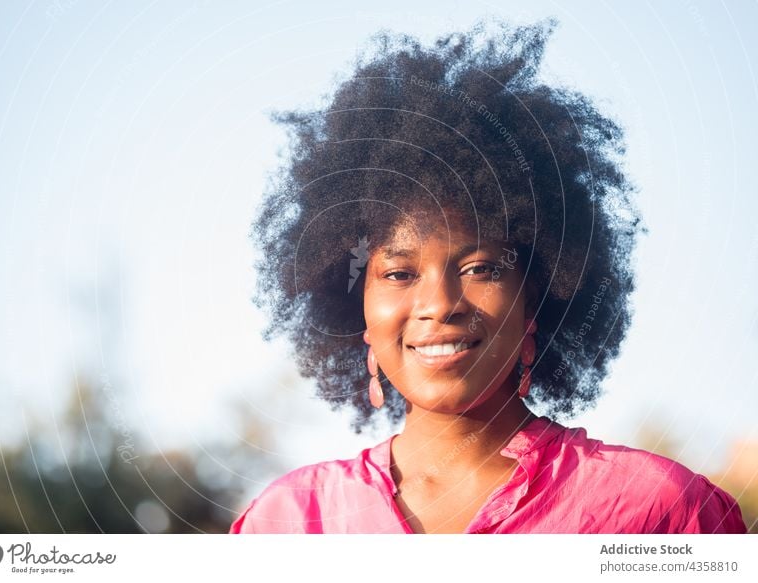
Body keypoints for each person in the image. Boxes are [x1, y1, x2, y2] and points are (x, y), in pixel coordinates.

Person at [230, 19, 748, 534]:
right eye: (400, 273)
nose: (440, 303)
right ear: (358, 312)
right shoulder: (290, 523)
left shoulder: (658, 513)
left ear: (535, 299)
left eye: (479, 268)